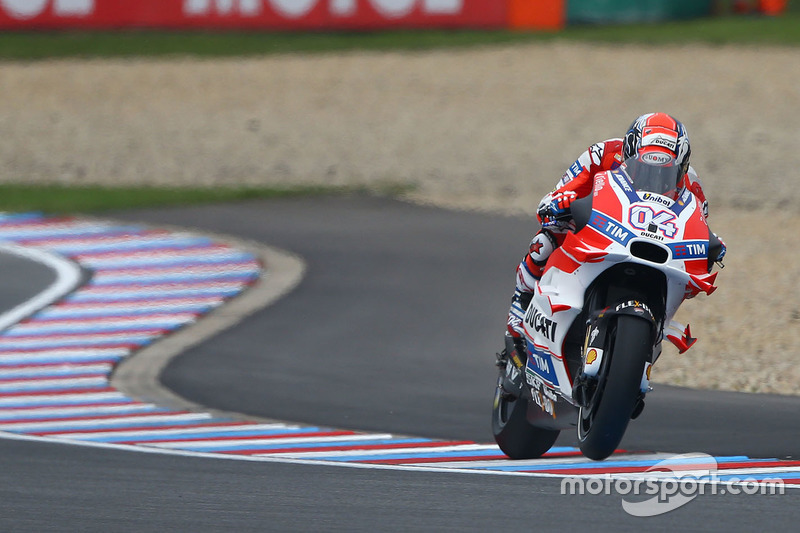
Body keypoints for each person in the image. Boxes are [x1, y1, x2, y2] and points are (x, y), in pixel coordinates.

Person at [504, 112, 726, 354]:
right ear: (628, 154)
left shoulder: (692, 185)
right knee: (544, 241)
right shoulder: (600, 154)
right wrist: (560, 203)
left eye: (665, 174)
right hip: (595, 227)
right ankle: (520, 306)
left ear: (681, 167)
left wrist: (711, 246)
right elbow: (557, 194)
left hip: (651, 242)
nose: (654, 179)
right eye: (644, 170)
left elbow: (699, 226)